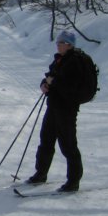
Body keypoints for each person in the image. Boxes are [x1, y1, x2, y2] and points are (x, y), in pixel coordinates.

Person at [26, 30, 85, 192]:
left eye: (61, 43)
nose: (58, 45)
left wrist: (54, 82)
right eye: (58, 42)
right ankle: (41, 173)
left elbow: (70, 87)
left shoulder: (75, 62)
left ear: (69, 45)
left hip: (67, 109)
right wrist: (44, 84)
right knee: (45, 140)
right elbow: (49, 78)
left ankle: (73, 181)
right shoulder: (59, 60)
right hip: (53, 106)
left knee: (68, 145)